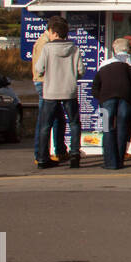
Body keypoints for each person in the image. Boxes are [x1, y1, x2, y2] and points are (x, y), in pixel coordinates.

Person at [34, 17, 84, 169]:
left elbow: (39, 69)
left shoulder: (47, 49)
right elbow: (81, 71)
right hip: (69, 91)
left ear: (54, 33)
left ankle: (42, 159)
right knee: (74, 123)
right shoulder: (75, 49)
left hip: (50, 91)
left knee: (45, 126)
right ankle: (75, 154)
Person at [92, 38, 131, 170]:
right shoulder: (129, 66)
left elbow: (95, 86)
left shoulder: (104, 65)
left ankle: (109, 162)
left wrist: (101, 98)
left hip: (106, 100)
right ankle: (119, 160)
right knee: (122, 127)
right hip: (125, 99)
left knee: (107, 129)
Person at [31, 21, 68, 166]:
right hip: (45, 84)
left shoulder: (44, 42)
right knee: (44, 121)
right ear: (53, 31)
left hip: (47, 84)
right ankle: (41, 154)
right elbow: (41, 67)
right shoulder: (44, 44)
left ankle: (59, 150)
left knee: (57, 119)